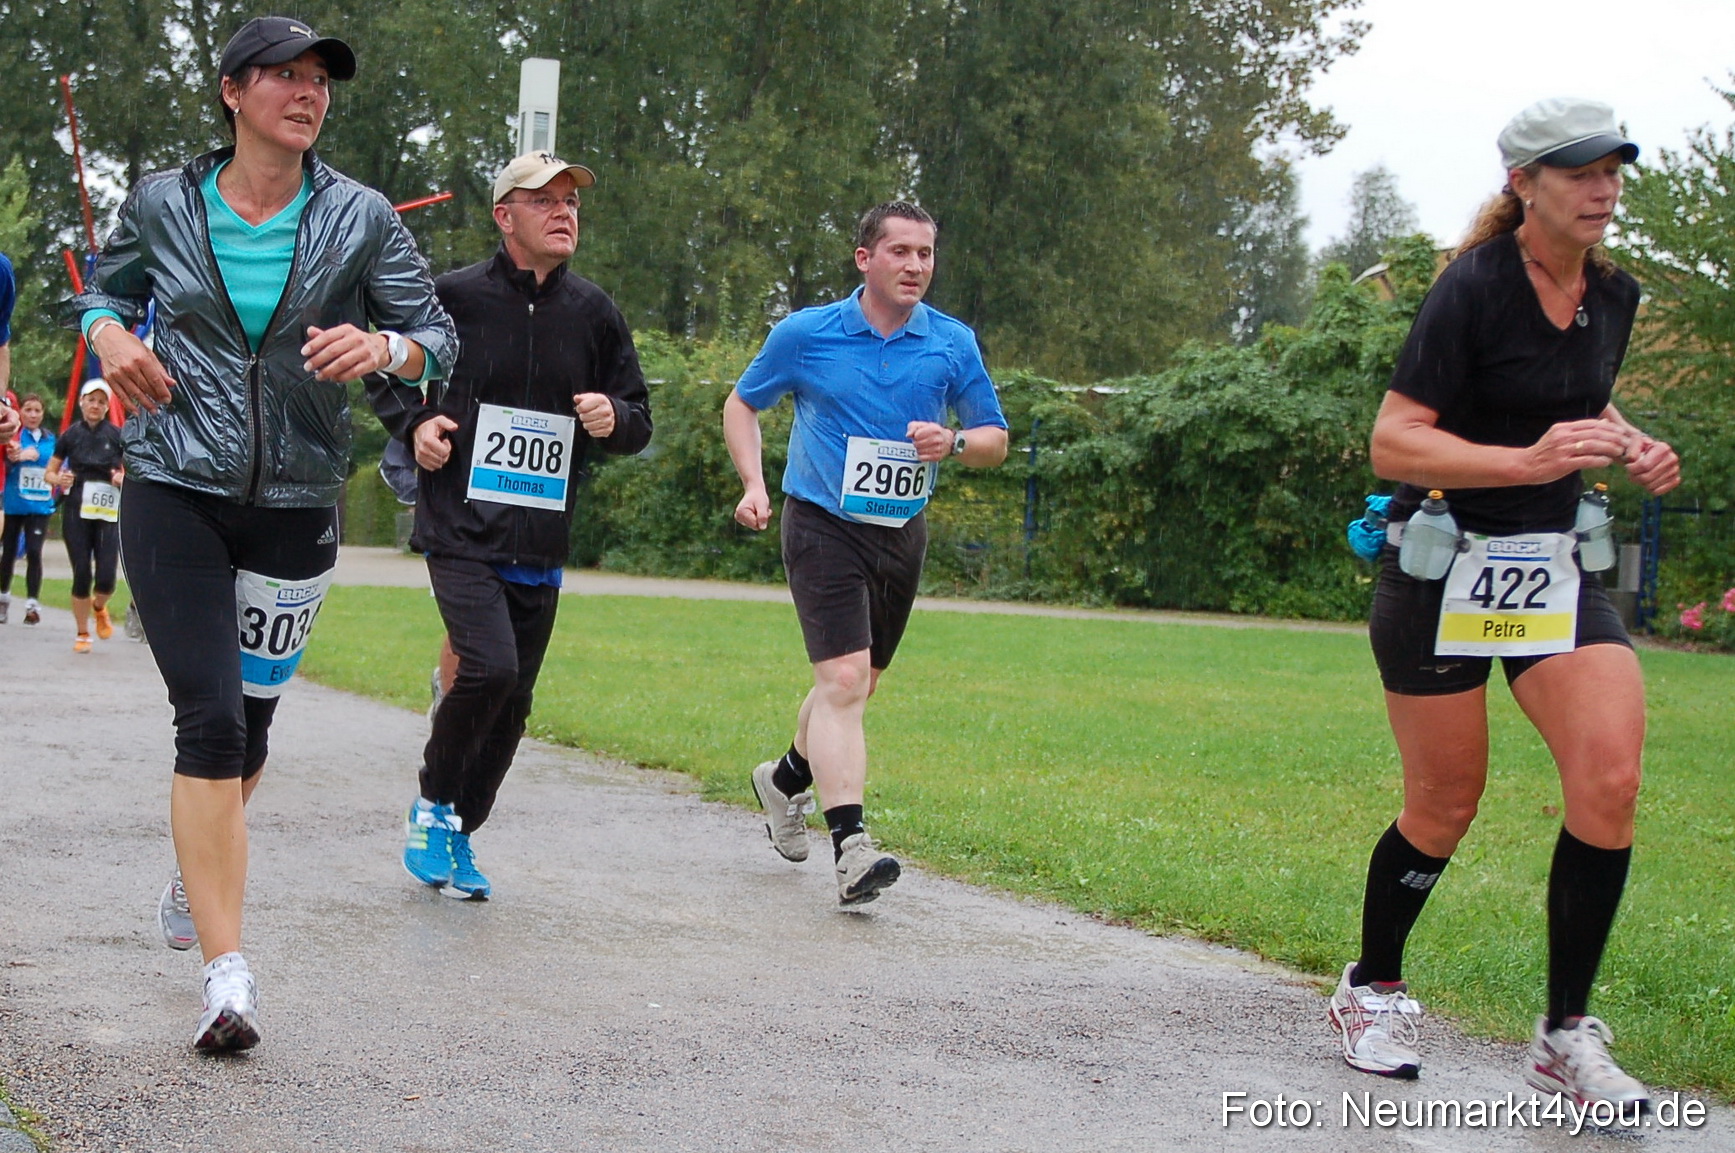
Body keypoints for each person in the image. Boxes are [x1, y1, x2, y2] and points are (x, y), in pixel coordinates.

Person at [69, 15, 456, 1050]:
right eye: (283, 75)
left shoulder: (362, 216)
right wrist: (111, 336)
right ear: (234, 93)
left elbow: (437, 340)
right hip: (171, 483)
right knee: (210, 720)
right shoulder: (162, 201)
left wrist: (384, 344)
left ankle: (195, 866)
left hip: (296, 497)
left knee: (254, 725)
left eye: (319, 78)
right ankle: (227, 979)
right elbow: (103, 292)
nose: (308, 91)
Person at [1328, 99, 1679, 1110]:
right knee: (1445, 802)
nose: (1601, 186)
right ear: (1523, 182)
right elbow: (1394, 440)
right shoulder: (1470, 290)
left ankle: (1564, 1035)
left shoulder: (1613, 294)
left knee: (1609, 779)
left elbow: (1575, 390)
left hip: (1550, 562)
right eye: (1577, 171)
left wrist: (1628, 437)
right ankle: (1372, 987)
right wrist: (1521, 459)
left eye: (1612, 167)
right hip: (1440, 566)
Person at [369, 151, 651, 900]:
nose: (565, 213)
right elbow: (382, 365)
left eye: (573, 203)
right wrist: (419, 423)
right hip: (459, 525)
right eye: (546, 201)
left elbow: (638, 417)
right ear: (505, 216)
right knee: (486, 666)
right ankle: (430, 804)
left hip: (540, 537)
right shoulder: (452, 296)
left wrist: (611, 416)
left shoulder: (593, 311)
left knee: (515, 699)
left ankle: (461, 828)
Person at [723, 201, 1008, 907]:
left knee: (853, 686)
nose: (915, 266)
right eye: (900, 252)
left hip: (900, 530)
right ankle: (852, 846)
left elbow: (994, 437)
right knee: (844, 679)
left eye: (926, 254)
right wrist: (754, 484)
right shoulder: (806, 333)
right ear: (864, 259)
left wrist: (957, 443)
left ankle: (785, 778)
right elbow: (741, 403)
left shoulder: (951, 342)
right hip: (819, 521)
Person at [43, 381, 123, 651]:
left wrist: (122, 477)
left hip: (107, 508)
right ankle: (82, 633)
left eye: (101, 402)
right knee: (81, 572)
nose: (95, 406)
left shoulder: (116, 435)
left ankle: (99, 606)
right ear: (81, 402)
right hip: (77, 503)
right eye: (91, 400)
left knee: (106, 576)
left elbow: (131, 470)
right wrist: (59, 478)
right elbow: (49, 473)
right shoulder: (70, 435)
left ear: (107, 406)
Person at [2, 394, 57, 624]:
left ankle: (32, 605)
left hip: (40, 506)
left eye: (37, 410)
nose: (33, 415)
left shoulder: (51, 440)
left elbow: (59, 466)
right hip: (15, 505)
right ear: (20, 412)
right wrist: (16, 457)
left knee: (34, 553)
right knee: (9, 553)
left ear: (43, 413)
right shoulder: (12, 437)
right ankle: (3, 599)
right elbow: (3, 465)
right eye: (28, 410)